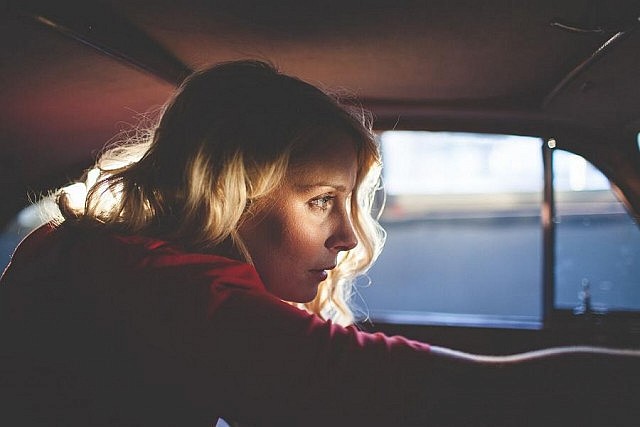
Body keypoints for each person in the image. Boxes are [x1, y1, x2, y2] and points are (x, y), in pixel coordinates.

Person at [1, 60, 638, 427]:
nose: (350, 237)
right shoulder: (174, 296)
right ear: (233, 190)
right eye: (321, 200)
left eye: (351, 202)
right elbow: (460, 395)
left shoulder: (76, 250)